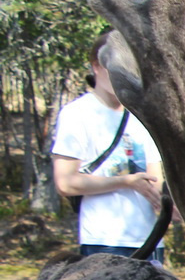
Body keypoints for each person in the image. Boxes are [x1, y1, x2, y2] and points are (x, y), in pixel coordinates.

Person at [52, 33, 166, 262]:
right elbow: (65, 183)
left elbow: (156, 178)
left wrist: (171, 206)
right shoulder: (77, 114)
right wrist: (124, 181)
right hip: (104, 241)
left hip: (150, 239)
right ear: (96, 66)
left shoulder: (144, 115)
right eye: (114, 66)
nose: (121, 73)